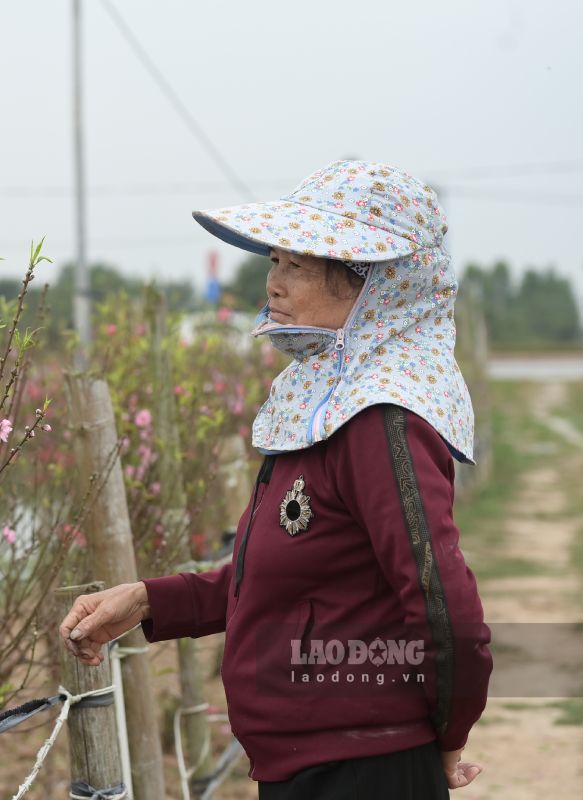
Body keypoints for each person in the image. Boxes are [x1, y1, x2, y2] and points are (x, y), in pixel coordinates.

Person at [60, 161, 492, 798]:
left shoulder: (380, 418)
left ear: (367, 282)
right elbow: (284, 579)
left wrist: (449, 735)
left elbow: (444, 611)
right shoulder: (328, 401)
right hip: (309, 766)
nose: (273, 283)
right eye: (275, 262)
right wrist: (148, 601)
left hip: (360, 772)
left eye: (296, 265)